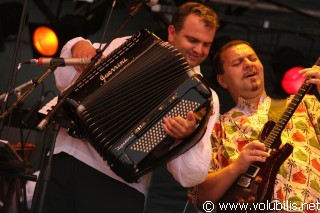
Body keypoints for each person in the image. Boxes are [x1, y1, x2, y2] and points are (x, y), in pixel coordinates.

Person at [38, 2, 220, 213]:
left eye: (206, 44)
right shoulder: (137, 46)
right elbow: (64, 79)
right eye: (192, 40)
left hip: (119, 187)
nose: (199, 50)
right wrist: (78, 45)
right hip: (68, 159)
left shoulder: (204, 97)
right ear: (172, 32)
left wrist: (188, 137)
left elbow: (190, 176)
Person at [190, 39, 320, 212]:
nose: (248, 64)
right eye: (237, 63)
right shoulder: (215, 127)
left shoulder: (305, 104)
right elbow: (200, 197)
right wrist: (235, 168)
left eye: (252, 58)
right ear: (222, 80)